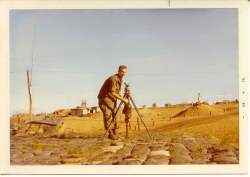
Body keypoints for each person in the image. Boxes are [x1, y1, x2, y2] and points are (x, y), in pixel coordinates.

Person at [98, 65, 129, 140]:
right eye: (122, 72)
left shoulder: (120, 79)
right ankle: (110, 133)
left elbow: (116, 92)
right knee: (108, 115)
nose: (124, 74)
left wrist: (123, 97)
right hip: (104, 99)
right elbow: (112, 92)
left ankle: (115, 132)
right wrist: (122, 99)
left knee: (114, 115)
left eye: (125, 72)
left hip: (112, 100)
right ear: (118, 71)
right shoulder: (113, 79)